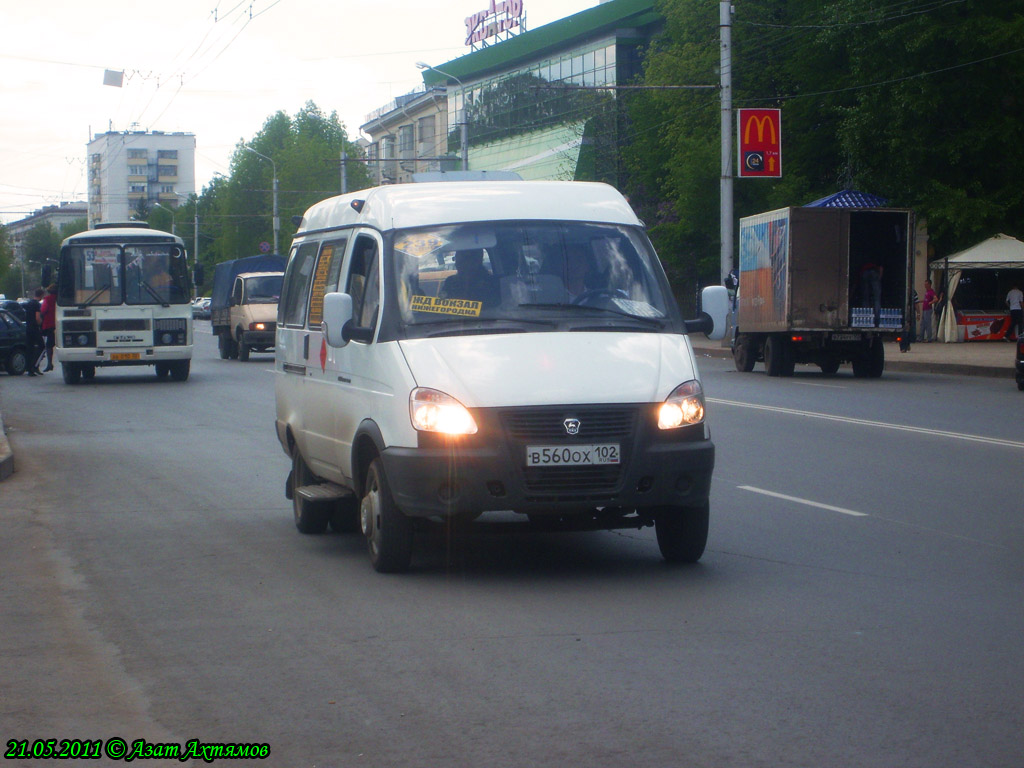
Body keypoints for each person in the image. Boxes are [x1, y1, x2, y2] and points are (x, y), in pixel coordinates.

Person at [22, 287, 44, 375]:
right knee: (42, 346)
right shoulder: (37, 304)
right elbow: (37, 318)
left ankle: (29, 368)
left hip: (28, 328)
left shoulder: (29, 303)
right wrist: (41, 324)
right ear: (41, 295)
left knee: (29, 347)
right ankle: (34, 364)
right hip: (35, 328)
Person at [39, 283, 57, 372]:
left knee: (49, 345)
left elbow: (43, 311)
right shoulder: (60, 299)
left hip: (49, 325)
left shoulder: (47, 299)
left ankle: (50, 363)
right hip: (57, 324)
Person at [860, 261, 883, 327]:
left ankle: (865, 318)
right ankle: (877, 321)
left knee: (865, 298)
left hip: (864, 272)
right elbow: (881, 267)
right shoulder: (876, 256)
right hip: (874, 272)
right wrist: (879, 278)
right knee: (877, 299)